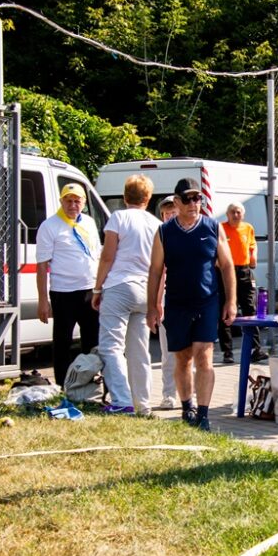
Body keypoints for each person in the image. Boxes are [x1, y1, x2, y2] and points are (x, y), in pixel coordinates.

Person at [146, 178, 237, 432]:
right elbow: (155, 271)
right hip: (176, 303)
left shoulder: (212, 227)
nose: (193, 203)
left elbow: (227, 265)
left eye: (197, 198)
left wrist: (231, 301)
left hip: (207, 301)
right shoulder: (164, 232)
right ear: (176, 202)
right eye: (187, 199)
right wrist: (152, 306)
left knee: (204, 356)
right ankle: (187, 408)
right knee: (183, 358)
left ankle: (204, 415)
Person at [91, 174, 162, 415]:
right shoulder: (156, 224)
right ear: (148, 198)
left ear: (124, 197)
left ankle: (122, 400)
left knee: (111, 346)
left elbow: (107, 257)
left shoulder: (118, 218)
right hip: (145, 289)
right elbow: (160, 265)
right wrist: (156, 300)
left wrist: (97, 288)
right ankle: (143, 404)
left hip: (120, 285)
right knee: (139, 350)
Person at [36, 183, 101, 387]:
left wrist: (100, 288)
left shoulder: (89, 222)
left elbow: (97, 255)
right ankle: (63, 384)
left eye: (77, 201)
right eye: (69, 201)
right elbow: (42, 265)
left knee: (92, 339)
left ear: (84, 203)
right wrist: (42, 300)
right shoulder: (50, 226)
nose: (73, 205)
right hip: (63, 291)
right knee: (63, 341)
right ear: (61, 201)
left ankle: (88, 381)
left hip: (89, 289)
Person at [218, 202, 264, 365]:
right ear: (227, 214)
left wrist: (254, 256)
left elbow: (253, 245)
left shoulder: (248, 228)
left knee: (250, 309)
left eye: (238, 212)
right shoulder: (221, 228)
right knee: (226, 311)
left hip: (244, 271)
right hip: (225, 271)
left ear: (243, 214)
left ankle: (256, 350)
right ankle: (227, 352)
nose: (235, 215)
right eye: (232, 212)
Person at [155, 196, 180, 410]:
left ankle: (190, 394)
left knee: (190, 352)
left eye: (173, 212)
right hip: (167, 300)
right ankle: (169, 394)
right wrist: (156, 302)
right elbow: (158, 273)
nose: (170, 216)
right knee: (168, 353)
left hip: (190, 300)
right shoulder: (160, 237)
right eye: (166, 214)